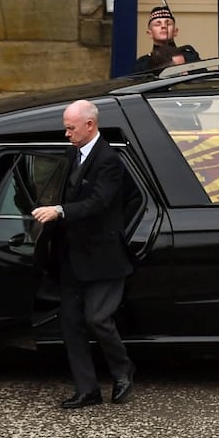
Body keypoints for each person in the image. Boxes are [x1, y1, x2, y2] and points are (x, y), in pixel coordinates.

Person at [31, 100, 135, 408]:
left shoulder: (109, 161)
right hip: (71, 256)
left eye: (70, 128)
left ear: (90, 126)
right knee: (71, 324)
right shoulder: (71, 154)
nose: (66, 134)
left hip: (102, 256)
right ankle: (87, 389)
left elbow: (99, 203)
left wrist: (59, 211)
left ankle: (122, 371)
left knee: (98, 319)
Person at [133, 5, 201, 73]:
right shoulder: (143, 63)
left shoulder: (191, 57)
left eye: (168, 23)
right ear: (149, 33)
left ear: (175, 31)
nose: (163, 26)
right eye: (157, 24)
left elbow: (203, 81)